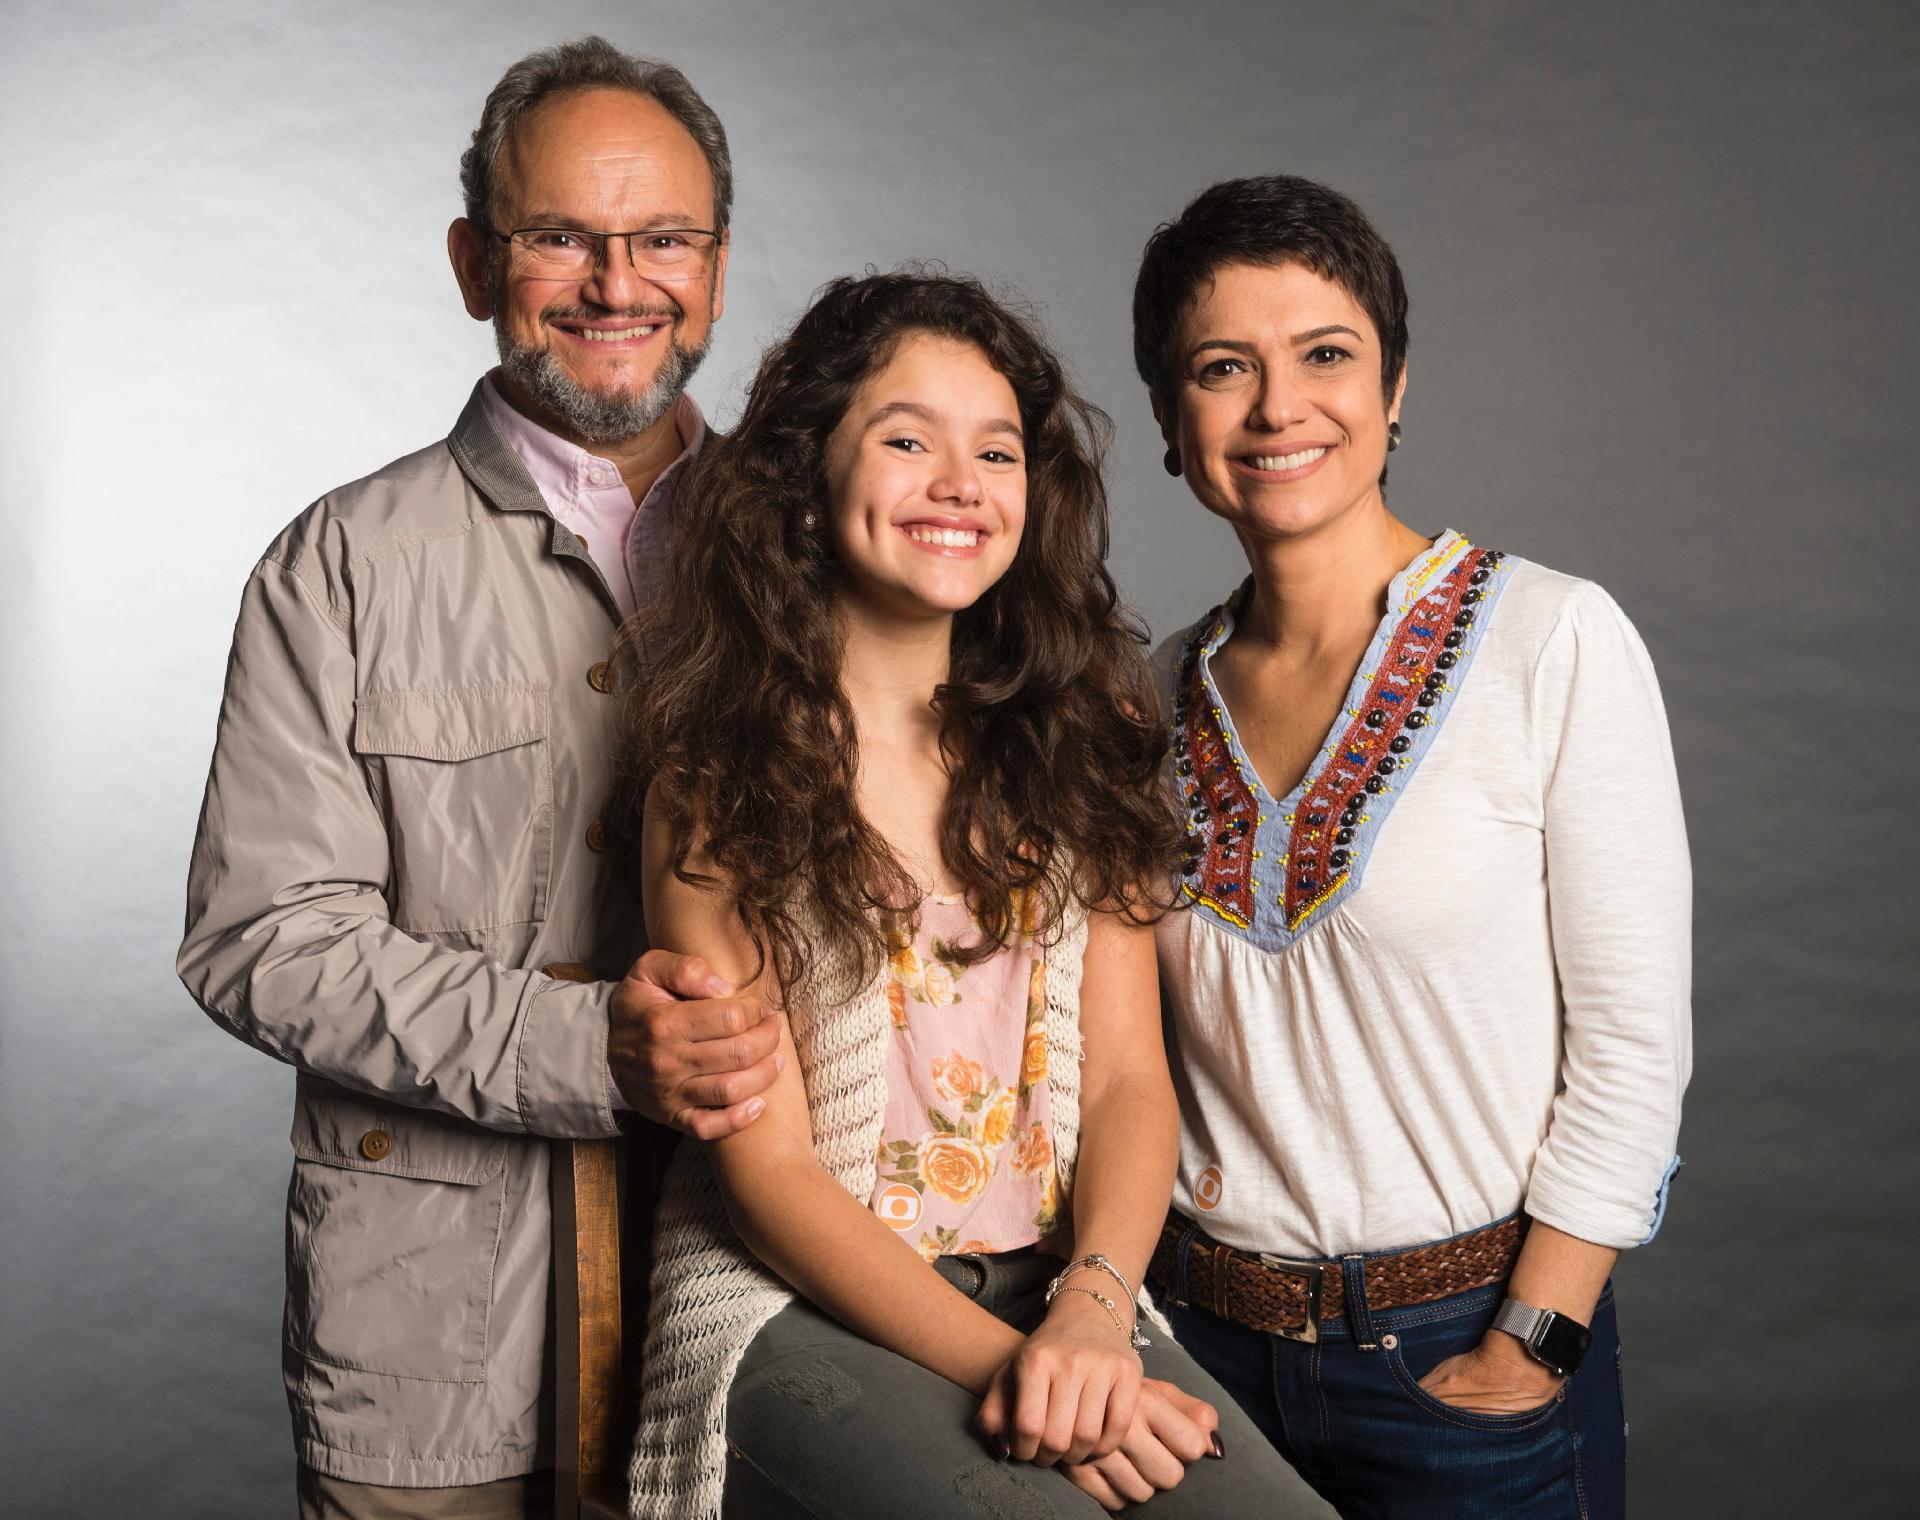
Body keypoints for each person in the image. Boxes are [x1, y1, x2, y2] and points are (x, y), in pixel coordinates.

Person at [612, 271, 1336, 1519]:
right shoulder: (716, 777)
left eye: (995, 449)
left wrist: (1096, 1317)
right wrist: (1025, 1374)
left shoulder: (1081, 740)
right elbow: (772, 1176)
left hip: (1064, 1291)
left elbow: (1124, 1082)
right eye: (908, 439)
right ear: (808, 473)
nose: (960, 482)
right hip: (797, 1305)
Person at [175, 38, 783, 1519]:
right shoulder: (341, 565)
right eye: (559, 234)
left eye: (664, 239)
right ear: (472, 261)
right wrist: (592, 1052)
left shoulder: (822, 544)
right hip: (428, 1343)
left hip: (769, 1314)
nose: (615, 281)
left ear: (715, 263)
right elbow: (261, 940)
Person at [1129, 174, 1693, 1518]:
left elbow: (1632, 1043)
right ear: (1169, 421)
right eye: (1224, 368)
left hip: (1462, 1354)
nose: (1279, 408)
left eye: (1326, 355)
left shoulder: (1550, 641)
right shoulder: (1146, 701)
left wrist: (1536, 1336)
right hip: (1199, 1366)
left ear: (1393, 390)